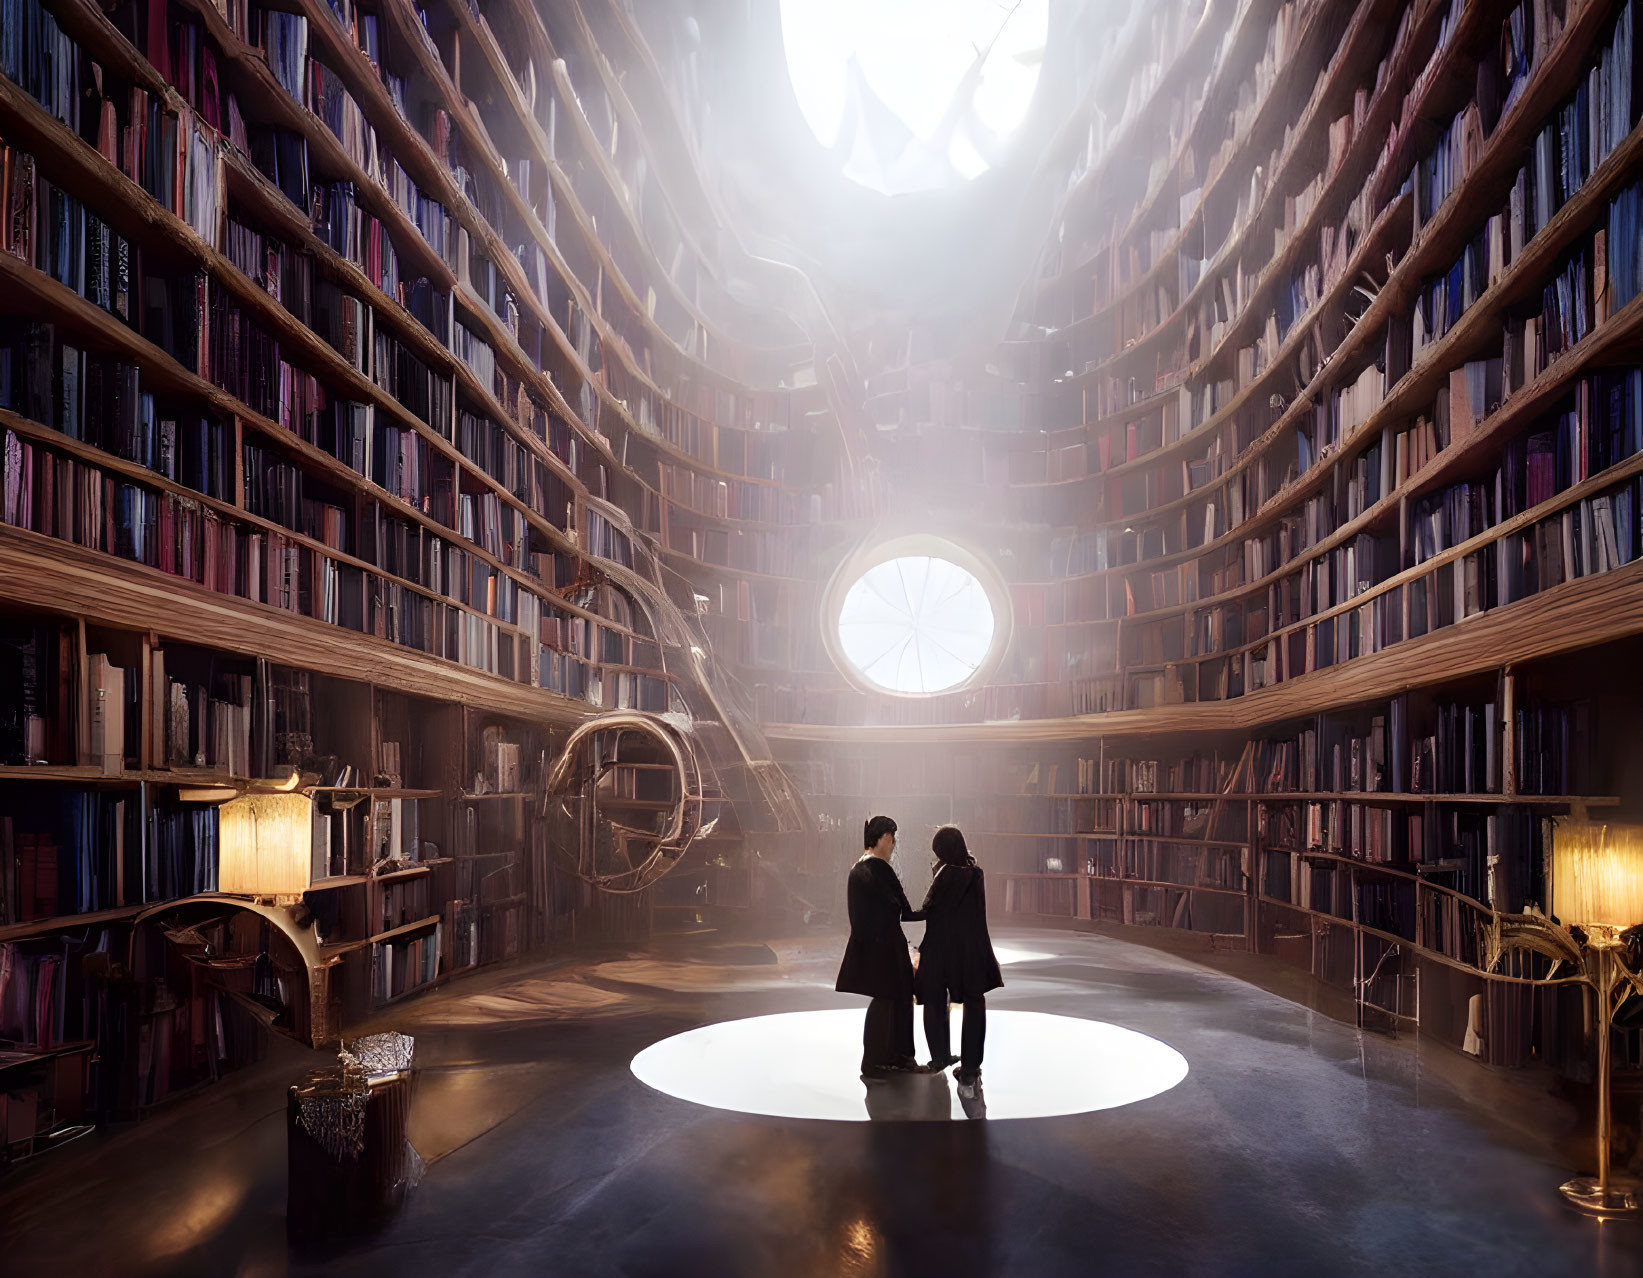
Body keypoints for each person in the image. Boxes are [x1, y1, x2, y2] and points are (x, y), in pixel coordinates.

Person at [836, 815, 925, 1078]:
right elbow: (903, 910)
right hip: (886, 949)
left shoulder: (857, 869)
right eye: (892, 837)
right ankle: (892, 1058)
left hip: (873, 948)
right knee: (893, 1001)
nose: (894, 844)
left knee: (888, 1001)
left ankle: (883, 1059)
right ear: (884, 838)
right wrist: (935, 910)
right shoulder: (879, 869)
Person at [915, 826, 1002, 1088]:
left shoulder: (946, 875)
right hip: (973, 947)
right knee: (975, 1004)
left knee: (934, 999)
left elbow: (930, 909)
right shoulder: (975, 872)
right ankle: (971, 1068)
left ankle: (940, 1056)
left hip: (942, 946)